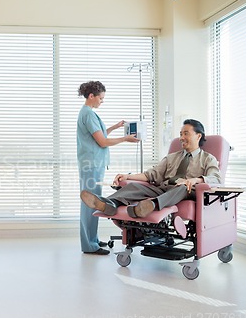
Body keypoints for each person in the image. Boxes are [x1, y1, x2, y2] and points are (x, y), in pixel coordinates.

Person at [80, 119, 220, 220]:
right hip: (164, 189)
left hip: (185, 191)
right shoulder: (172, 157)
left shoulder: (208, 159)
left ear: (198, 136)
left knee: (182, 187)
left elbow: (216, 179)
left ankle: (151, 205)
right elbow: (151, 174)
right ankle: (109, 204)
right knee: (135, 186)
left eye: (186, 133)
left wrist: (196, 180)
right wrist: (128, 177)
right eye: (180, 134)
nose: (181, 137)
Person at [77, 81, 139, 255]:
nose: (102, 101)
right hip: (91, 164)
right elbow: (102, 142)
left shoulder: (89, 114)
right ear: (91, 96)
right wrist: (125, 138)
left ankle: (93, 240)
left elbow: (100, 135)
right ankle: (89, 245)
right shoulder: (88, 114)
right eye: (101, 98)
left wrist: (115, 127)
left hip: (93, 163)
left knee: (94, 201)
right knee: (90, 203)